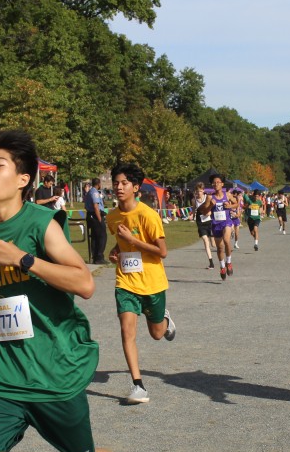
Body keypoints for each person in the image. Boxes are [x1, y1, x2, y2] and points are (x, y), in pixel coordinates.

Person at [0, 130, 164, 452]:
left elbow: (85, 283)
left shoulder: (41, 224)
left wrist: (23, 260)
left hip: (53, 371)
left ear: (23, 179)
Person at [106, 162, 177, 405]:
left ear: (136, 187)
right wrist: (116, 250)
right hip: (126, 281)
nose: (119, 187)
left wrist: (133, 240)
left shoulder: (148, 215)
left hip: (152, 282)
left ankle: (164, 318)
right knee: (127, 331)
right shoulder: (112, 216)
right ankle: (138, 385)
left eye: (124, 183)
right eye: (116, 183)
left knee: (157, 334)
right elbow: (121, 243)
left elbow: (162, 251)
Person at [203, 174, 237, 279]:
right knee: (220, 247)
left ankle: (229, 262)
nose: (216, 184)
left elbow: (236, 203)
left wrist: (230, 206)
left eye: (218, 182)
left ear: (222, 184)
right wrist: (211, 205)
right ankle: (222, 266)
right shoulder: (209, 197)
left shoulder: (228, 195)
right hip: (216, 224)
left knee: (226, 240)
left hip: (226, 222)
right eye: (214, 182)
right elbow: (204, 212)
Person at [192, 182, 216, 268]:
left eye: (200, 191)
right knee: (206, 241)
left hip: (209, 221)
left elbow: (213, 207)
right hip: (200, 222)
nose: (199, 193)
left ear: (203, 191)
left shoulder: (207, 198)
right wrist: (192, 215)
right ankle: (211, 263)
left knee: (213, 244)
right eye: (197, 191)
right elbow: (194, 209)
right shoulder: (194, 200)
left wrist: (210, 212)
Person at [85, 177, 107, 264]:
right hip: (95, 215)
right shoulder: (95, 192)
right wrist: (100, 219)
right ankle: (99, 257)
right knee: (102, 236)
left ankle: (95, 257)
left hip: (91, 215)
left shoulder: (90, 191)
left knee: (95, 237)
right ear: (98, 184)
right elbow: (95, 206)